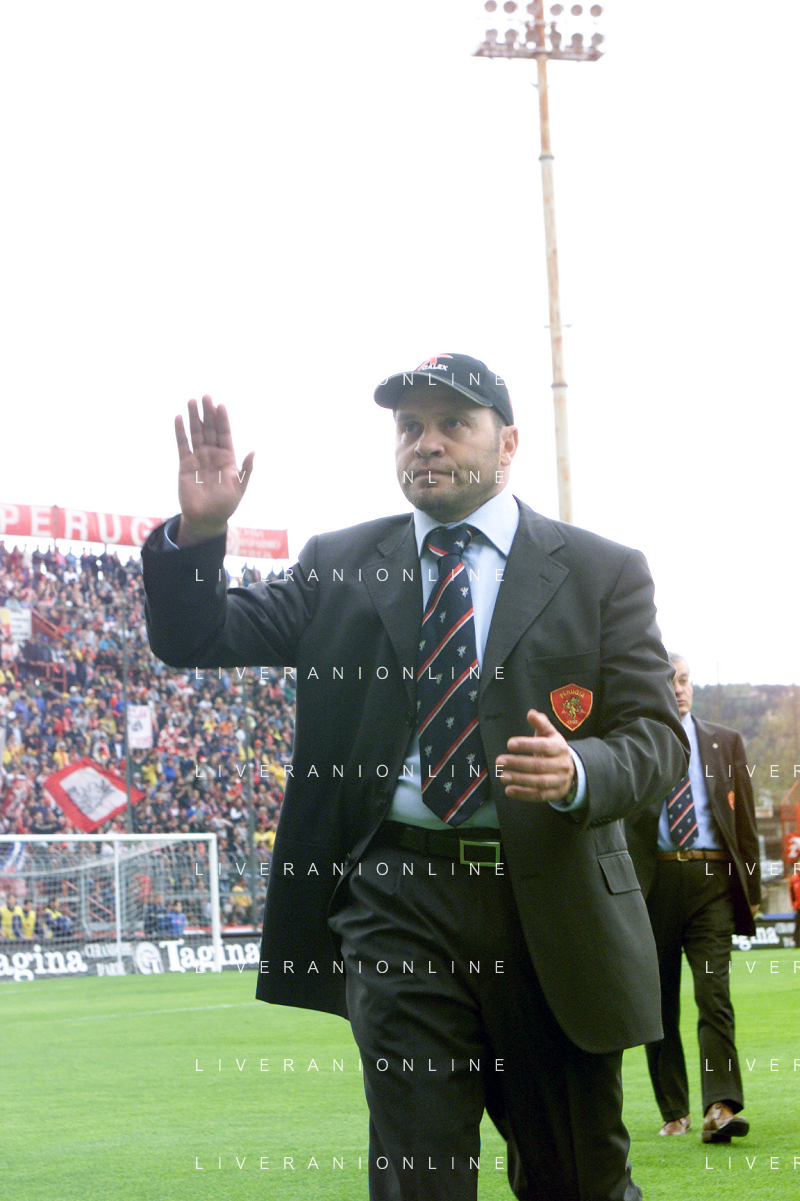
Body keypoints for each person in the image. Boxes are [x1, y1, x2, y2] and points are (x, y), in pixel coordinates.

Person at [141, 353, 688, 1201]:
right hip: (397, 901)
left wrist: (581, 768)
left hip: (552, 898)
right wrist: (200, 535)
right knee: (419, 1179)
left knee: (580, 1180)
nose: (425, 443)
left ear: (508, 442)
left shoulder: (600, 570)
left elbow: (658, 739)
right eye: (409, 427)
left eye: (452, 424)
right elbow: (197, 637)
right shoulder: (340, 563)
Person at [625, 653, 760, 1144]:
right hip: (654, 884)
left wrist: (752, 891)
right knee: (658, 1003)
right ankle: (674, 1110)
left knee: (713, 994)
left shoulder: (726, 742)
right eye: (669, 682)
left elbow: (745, 823)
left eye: (683, 680)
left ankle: (720, 1107)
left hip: (711, 883)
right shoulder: (638, 744)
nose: (678, 689)